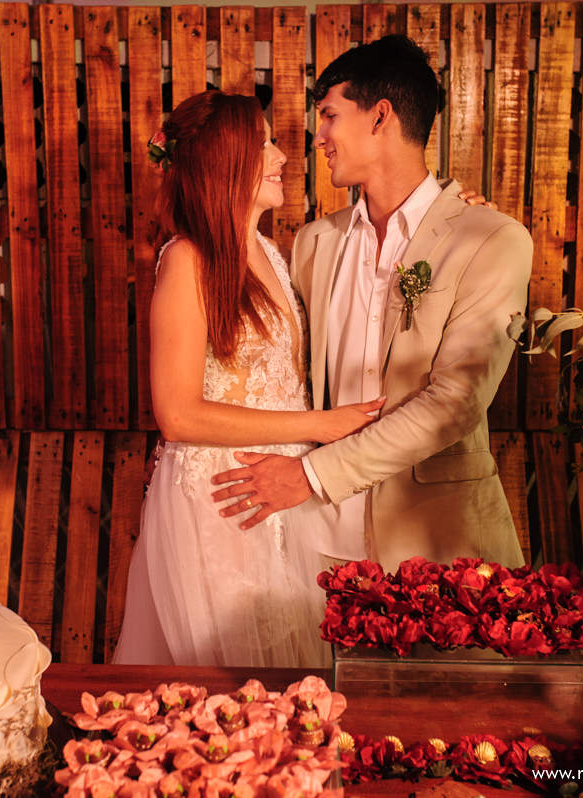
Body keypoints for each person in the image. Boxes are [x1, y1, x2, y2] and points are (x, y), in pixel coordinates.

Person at [210, 35, 531, 573]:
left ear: (380, 116)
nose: (319, 138)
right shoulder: (314, 243)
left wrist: (311, 475)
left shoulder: (490, 240)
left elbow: (456, 403)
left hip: (435, 543)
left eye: (330, 116)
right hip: (314, 541)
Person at [112, 90, 384, 667]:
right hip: (222, 497)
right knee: (230, 678)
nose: (281, 155)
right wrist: (320, 426)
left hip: (283, 491)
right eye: (263, 144)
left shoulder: (269, 251)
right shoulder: (187, 259)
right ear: (225, 161)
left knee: (292, 670)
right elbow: (177, 414)